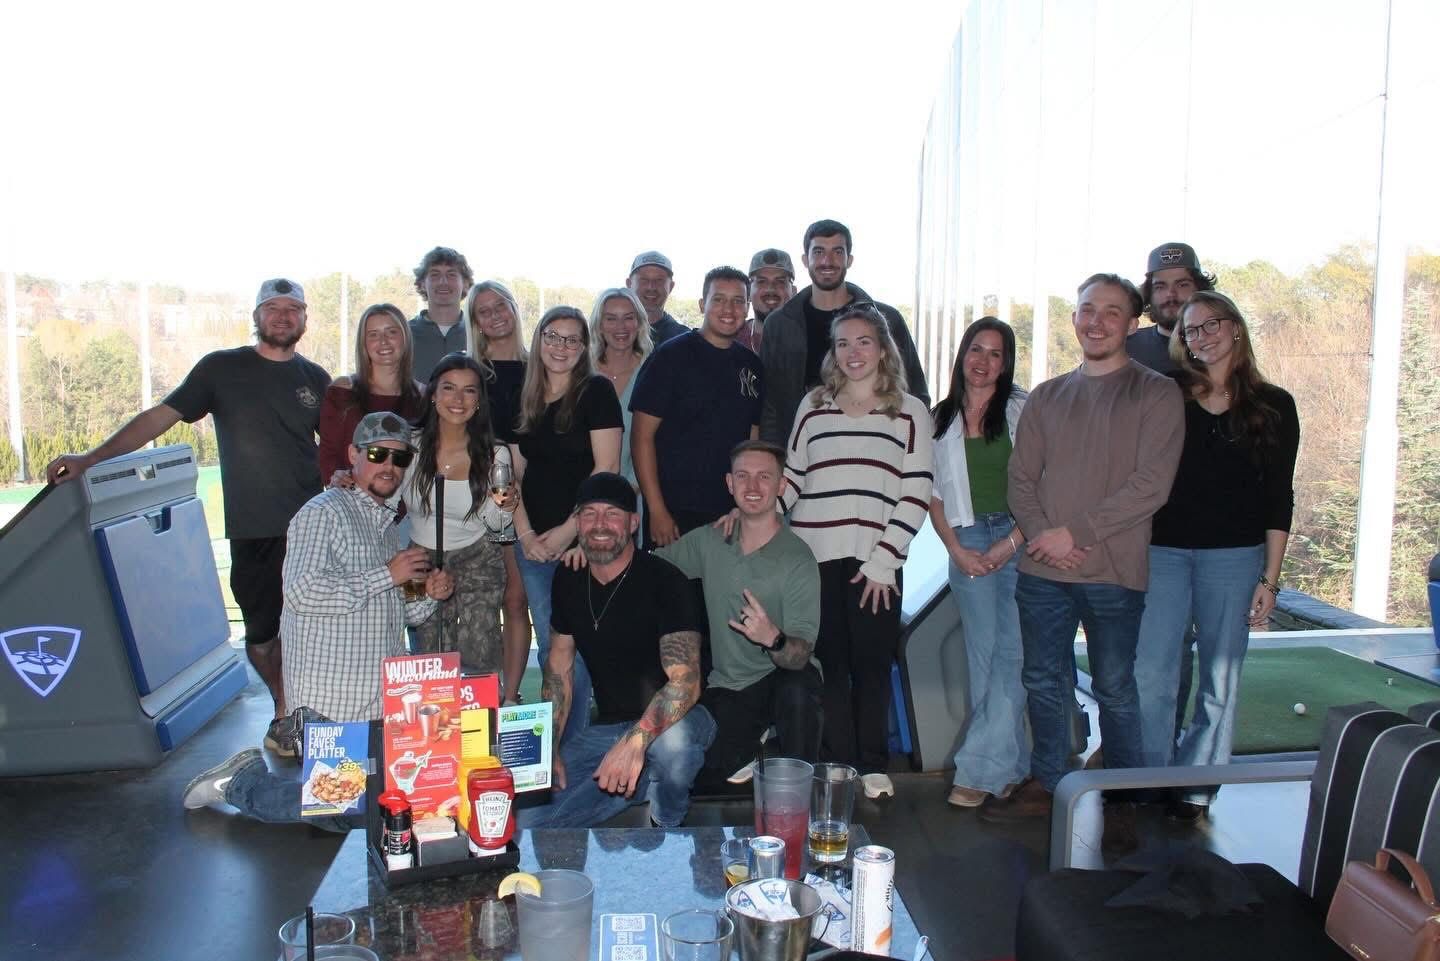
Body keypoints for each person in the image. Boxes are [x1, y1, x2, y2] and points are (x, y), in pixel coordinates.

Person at [46, 278, 330, 757]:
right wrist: (91, 458)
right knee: (261, 634)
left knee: (313, 627)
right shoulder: (222, 369)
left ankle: (296, 715)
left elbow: (345, 450)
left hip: (311, 528)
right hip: (252, 529)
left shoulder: (317, 380)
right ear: (257, 316)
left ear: (304, 318)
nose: (283, 317)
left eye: (293, 309)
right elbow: (160, 417)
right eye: (273, 308)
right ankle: (285, 703)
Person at [982, 274, 1183, 857]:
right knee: (1043, 680)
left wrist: (1077, 533)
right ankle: (1052, 783)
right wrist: (1047, 536)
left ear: (1133, 323)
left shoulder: (1154, 393)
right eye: (1087, 310)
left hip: (1114, 571)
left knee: (1117, 689)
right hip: (1044, 569)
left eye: (1111, 312)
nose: (1096, 322)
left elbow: (1152, 485)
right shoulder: (1047, 396)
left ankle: (1119, 798)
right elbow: (1021, 478)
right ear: (1074, 318)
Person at [181, 412, 454, 830]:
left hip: (381, 707)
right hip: (331, 712)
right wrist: (389, 574)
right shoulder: (322, 512)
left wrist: (427, 594)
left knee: (404, 799)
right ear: (354, 455)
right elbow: (301, 592)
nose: (389, 466)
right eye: (378, 453)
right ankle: (241, 781)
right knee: (348, 810)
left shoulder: (385, 528)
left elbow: (403, 609)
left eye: (400, 459)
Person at [1133, 291, 1300, 822]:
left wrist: (1269, 580)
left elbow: (1279, 498)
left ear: (1235, 329)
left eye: (1210, 325)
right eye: (1190, 330)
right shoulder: (1166, 396)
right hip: (1163, 553)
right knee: (1152, 674)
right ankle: (1151, 780)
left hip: (1235, 558)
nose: (1200, 336)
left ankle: (1197, 787)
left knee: (1219, 680)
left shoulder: (1274, 405)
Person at [781, 304, 934, 799]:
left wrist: (883, 561)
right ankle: (838, 762)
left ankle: (872, 764)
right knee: (830, 665)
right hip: (814, 558)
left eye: (863, 341)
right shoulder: (813, 406)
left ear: (883, 348)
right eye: (842, 343)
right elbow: (792, 477)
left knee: (871, 665)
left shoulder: (911, 411)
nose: (852, 352)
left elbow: (915, 491)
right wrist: (753, 514)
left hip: (877, 564)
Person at [517, 474, 714, 828]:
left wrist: (634, 743)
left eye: (612, 514)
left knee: (673, 748)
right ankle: (637, 781)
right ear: (577, 523)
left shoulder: (666, 581)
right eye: (589, 514)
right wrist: (551, 747)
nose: (600, 525)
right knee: (528, 821)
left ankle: (665, 822)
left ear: (633, 523)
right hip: (609, 727)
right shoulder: (568, 580)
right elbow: (559, 666)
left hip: (683, 718)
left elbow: (687, 683)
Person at [659, 441, 822, 783]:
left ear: (781, 486)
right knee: (699, 777)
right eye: (743, 476)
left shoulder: (798, 558)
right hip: (731, 687)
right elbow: (649, 570)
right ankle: (755, 744)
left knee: (797, 691)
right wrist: (595, 552)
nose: (752, 487)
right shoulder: (709, 540)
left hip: (784, 678)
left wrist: (773, 639)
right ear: (729, 484)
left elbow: (800, 655)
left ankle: (799, 794)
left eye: (764, 477)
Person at [927, 318, 1030, 808]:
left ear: (1005, 362)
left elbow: (1044, 485)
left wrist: (1010, 543)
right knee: (984, 660)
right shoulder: (938, 417)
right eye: (976, 349)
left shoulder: (1022, 409)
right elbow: (930, 495)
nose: (983, 361)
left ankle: (976, 770)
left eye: (995, 353)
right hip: (965, 542)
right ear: (962, 355)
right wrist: (956, 549)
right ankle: (1011, 768)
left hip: (1020, 540)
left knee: (1013, 658)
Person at [511, 307, 623, 743]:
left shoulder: (596, 392)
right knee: (551, 647)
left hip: (583, 544)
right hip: (534, 546)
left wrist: (570, 531)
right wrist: (526, 536)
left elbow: (607, 469)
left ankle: (574, 747)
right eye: (553, 337)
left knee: (575, 645)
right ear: (539, 340)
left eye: (572, 339)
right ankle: (558, 745)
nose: (561, 347)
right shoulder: (527, 396)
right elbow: (512, 478)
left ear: (584, 348)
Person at [402, 354, 523, 690]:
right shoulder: (408, 447)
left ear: (478, 401)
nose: (458, 399)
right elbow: (380, 491)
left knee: (479, 656)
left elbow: (499, 525)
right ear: (432, 394)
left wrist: (504, 505)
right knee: (428, 659)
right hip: (419, 561)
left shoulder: (494, 453)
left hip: (478, 558)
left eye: (469, 391)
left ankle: (482, 733)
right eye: (449, 388)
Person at [759, 219, 930, 445]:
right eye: (818, 251)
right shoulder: (779, 325)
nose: (827, 261)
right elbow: (770, 407)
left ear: (849, 259)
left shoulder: (886, 320)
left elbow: (914, 390)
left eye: (837, 252)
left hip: (874, 451)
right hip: (802, 457)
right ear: (805, 260)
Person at [630, 266, 763, 548]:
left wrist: (746, 506)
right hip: (674, 515)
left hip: (729, 514)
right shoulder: (670, 357)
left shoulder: (752, 366)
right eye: (719, 299)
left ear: (747, 307)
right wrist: (657, 510)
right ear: (703, 304)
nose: (729, 308)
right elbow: (641, 437)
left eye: (738, 301)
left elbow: (753, 441)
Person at [465, 279, 533, 702]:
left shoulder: (538, 366)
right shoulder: (470, 373)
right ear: (475, 322)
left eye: (500, 305)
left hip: (523, 496)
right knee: (477, 598)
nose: (495, 315)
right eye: (483, 310)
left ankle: (510, 695)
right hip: (473, 493)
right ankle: (474, 694)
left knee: (515, 596)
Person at [318, 303, 425, 488]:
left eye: (391, 332)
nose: (383, 341)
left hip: (407, 508)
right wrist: (335, 477)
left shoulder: (424, 397)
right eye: (373, 334)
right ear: (364, 343)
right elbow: (328, 454)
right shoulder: (343, 391)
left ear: (405, 338)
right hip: (353, 502)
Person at [589, 287, 654, 491]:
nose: (621, 327)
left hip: (637, 494)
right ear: (599, 325)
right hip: (581, 495)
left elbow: (661, 440)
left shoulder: (654, 373)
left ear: (640, 323)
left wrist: (627, 490)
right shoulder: (581, 375)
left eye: (628, 318)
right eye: (611, 318)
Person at [1127, 242, 1217, 375]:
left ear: (1200, 289)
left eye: (1182, 285)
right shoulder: (1125, 348)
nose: (1170, 294)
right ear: (1149, 293)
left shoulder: (1218, 346)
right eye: (1160, 286)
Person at [410, 246, 474, 380]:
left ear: (466, 284)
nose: (443, 282)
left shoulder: (479, 334)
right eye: (435, 275)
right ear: (422, 284)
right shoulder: (404, 334)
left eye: (451, 274)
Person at [738, 248, 797, 353]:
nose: (771, 288)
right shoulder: (730, 339)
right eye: (761, 281)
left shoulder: (810, 338)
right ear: (748, 292)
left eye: (780, 281)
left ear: (793, 292)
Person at [627, 250, 688, 346]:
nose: (651, 287)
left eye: (659, 280)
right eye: (644, 280)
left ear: (671, 287)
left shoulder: (684, 340)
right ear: (629, 284)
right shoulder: (610, 333)